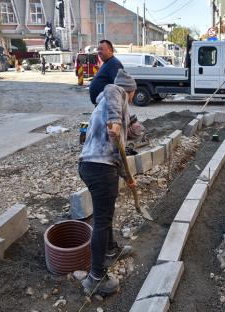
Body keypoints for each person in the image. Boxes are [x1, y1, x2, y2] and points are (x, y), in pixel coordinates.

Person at [78, 69, 136, 296]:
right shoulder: (115, 93)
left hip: (92, 165)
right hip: (100, 168)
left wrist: (127, 178)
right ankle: (95, 277)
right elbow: (112, 88)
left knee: (106, 213)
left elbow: (117, 152)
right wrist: (115, 121)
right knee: (102, 221)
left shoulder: (103, 106)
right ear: (130, 92)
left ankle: (110, 249)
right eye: (131, 95)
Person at [89, 40, 124, 106]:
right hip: (102, 104)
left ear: (110, 51)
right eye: (98, 49)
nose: (99, 52)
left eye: (101, 49)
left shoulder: (114, 63)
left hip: (108, 105)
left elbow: (119, 86)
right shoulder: (107, 62)